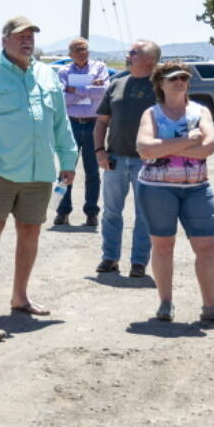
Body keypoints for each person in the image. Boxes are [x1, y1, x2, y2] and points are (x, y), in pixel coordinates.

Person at [0, 16, 76, 318]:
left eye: (31, 36)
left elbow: (60, 122)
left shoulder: (47, 75)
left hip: (39, 171)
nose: (27, 40)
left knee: (31, 231)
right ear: (4, 41)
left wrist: (68, 160)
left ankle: (20, 297)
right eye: (20, 36)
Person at [134, 61, 214, 324]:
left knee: (207, 245)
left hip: (197, 188)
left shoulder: (201, 111)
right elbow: (144, 147)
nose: (180, 82)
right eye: (173, 78)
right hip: (157, 189)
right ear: (160, 84)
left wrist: (162, 148)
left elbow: (208, 147)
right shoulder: (151, 114)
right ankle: (165, 303)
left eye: (183, 78)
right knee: (163, 245)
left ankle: (210, 307)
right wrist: (188, 141)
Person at [93, 40, 159, 277]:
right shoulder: (116, 83)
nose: (128, 55)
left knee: (145, 214)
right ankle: (110, 257)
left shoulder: (160, 86)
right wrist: (100, 150)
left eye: (134, 53)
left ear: (150, 59)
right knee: (111, 212)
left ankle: (139, 262)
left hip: (148, 161)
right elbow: (101, 121)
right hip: (115, 159)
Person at [54, 37, 109, 226]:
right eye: (78, 49)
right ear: (70, 54)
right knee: (65, 169)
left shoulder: (99, 68)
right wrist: (89, 88)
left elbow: (103, 93)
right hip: (71, 124)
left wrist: (74, 90)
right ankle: (62, 211)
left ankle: (91, 212)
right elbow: (61, 98)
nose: (82, 52)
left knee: (92, 171)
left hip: (94, 124)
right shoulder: (63, 71)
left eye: (84, 48)